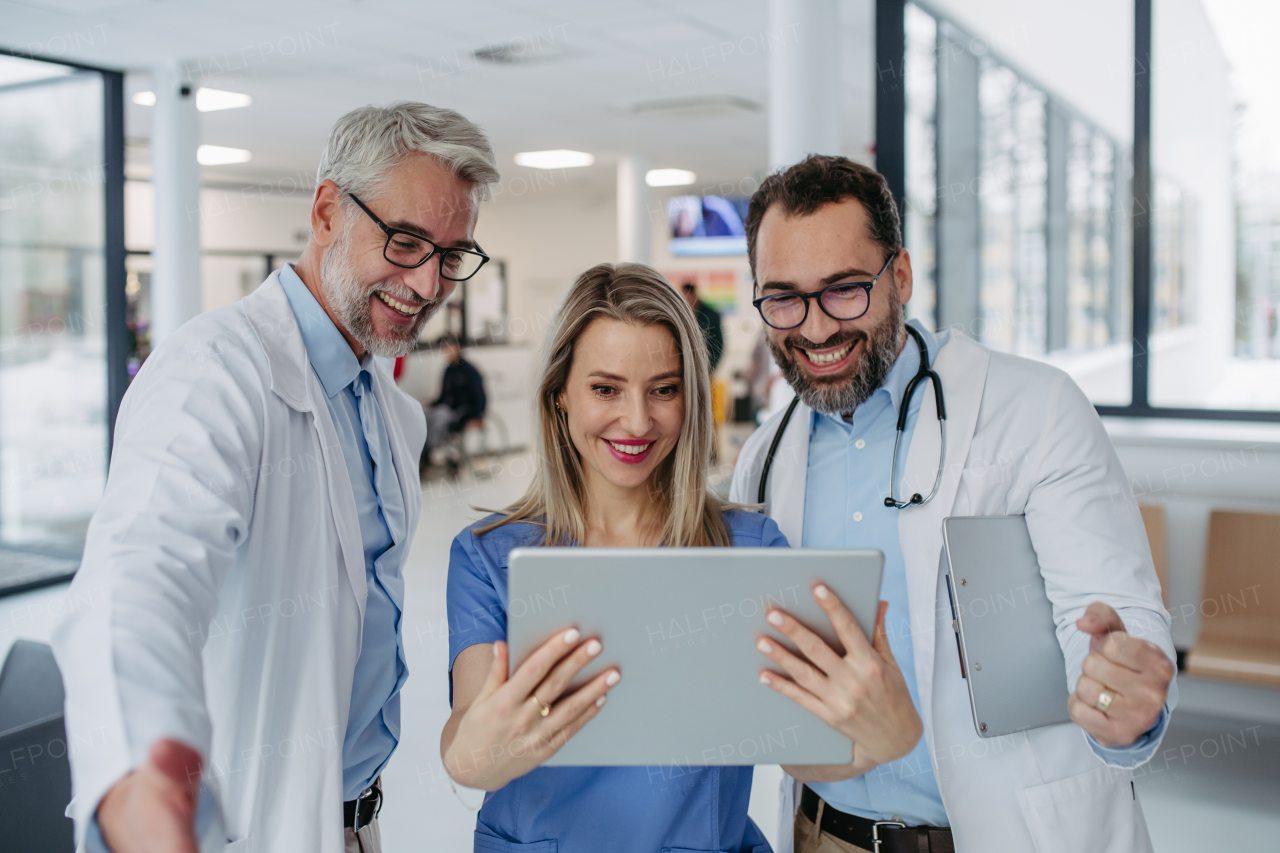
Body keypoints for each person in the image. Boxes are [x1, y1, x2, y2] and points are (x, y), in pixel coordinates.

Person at [51, 102, 500, 853]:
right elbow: (137, 580)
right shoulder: (217, 370)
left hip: (356, 822)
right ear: (327, 210)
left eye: (452, 256)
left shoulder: (394, 414)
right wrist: (140, 781)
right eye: (406, 241)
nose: (428, 284)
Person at [728, 155, 1176, 853]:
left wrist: (1125, 697)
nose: (814, 329)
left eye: (845, 290)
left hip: (1009, 833)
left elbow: (1112, 615)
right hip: (823, 835)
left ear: (899, 276)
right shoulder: (762, 459)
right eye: (782, 298)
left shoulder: (1034, 409)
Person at [442, 263, 792, 852]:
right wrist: (486, 743)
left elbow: (809, 734)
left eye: (664, 389)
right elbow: (466, 744)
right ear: (560, 395)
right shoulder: (489, 558)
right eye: (605, 389)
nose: (637, 421)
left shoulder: (750, 549)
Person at [424, 334, 487, 464]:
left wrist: (478, 415)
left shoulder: (469, 371)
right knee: (426, 416)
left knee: (440, 416)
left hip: (463, 411)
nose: (448, 352)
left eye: (450, 348)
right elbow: (443, 395)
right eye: (445, 349)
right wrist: (432, 403)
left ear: (458, 349)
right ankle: (424, 451)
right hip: (448, 409)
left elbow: (480, 395)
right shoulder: (448, 370)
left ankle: (429, 453)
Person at [682, 279, 725, 372]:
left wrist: (711, 368)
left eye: (689, 296)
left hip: (706, 366)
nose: (687, 299)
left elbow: (718, 343)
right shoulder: (681, 314)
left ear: (695, 295)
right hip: (686, 368)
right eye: (684, 296)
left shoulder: (711, 315)